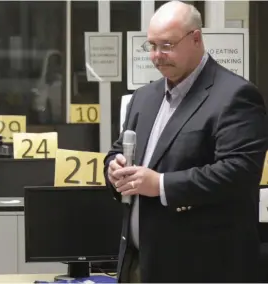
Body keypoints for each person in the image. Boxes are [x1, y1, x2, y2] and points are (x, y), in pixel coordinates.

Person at [104, 1, 268, 283]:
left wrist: (161, 185)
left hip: (202, 268)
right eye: (152, 46)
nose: (157, 55)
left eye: (166, 45)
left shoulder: (235, 96)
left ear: (196, 38)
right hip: (138, 263)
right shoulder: (144, 97)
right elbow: (119, 149)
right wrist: (113, 168)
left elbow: (240, 172)